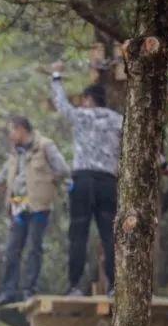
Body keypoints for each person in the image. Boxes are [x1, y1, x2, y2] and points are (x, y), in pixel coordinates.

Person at [0, 116, 70, 307]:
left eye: (12, 131)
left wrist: (46, 183)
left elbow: (63, 169)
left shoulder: (45, 146)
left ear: (21, 130)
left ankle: (29, 291)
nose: (10, 135)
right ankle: (8, 292)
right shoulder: (14, 155)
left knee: (34, 248)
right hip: (18, 207)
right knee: (12, 250)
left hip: (39, 206)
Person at [49, 62, 126, 296]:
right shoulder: (117, 120)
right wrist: (162, 162)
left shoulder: (81, 116)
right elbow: (142, 141)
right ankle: (115, 286)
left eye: (84, 100)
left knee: (78, 234)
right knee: (110, 234)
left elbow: (60, 104)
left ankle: (73, 286)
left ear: (88, 100)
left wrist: (56, 76)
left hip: (82, 181)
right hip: (107, 182)